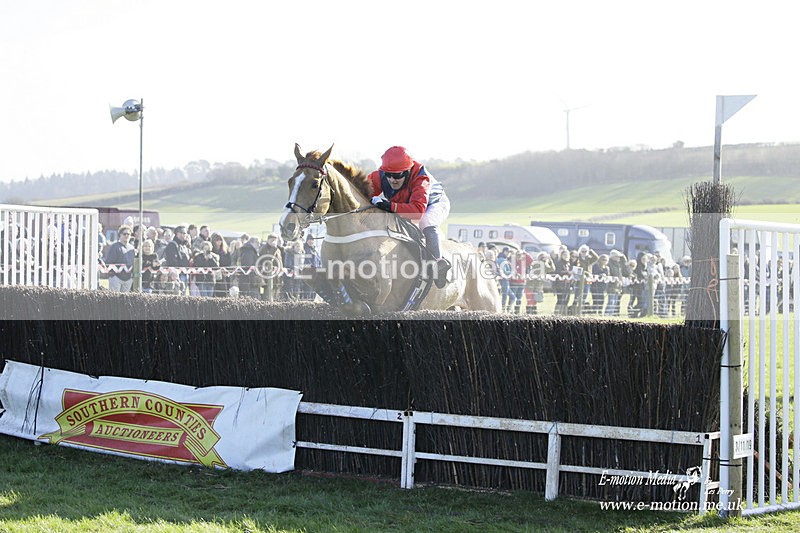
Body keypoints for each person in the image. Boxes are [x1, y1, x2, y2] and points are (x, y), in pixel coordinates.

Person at [368, 146, 451, 288]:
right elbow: (362, 191)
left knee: (425, 221)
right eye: (388, 174)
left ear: (407, 172)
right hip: (408, 205)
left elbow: (417, 212)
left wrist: (389, 206)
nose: (392, 180)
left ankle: (438, 264)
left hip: (434, 204)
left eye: (397, 175)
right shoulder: (380, 175)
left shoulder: (421, 178)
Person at [103, 224, 135, 292]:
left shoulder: (132, 248)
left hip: (128, 278)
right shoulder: (114, 247)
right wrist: (112, 276)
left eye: (128, 234)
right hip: (116, 278)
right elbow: (109, 262)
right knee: (114, 299)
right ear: (120, 234)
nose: (126, 235)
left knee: (125, 300)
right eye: (124, 234)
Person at [162, 225, 191, 294]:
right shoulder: (172, 245)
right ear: (176, 233)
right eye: (180, 232)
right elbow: (172, 261)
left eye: (184, 233)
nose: (182, 235)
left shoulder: (184, 246)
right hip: (176, 275)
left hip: (185, 274)